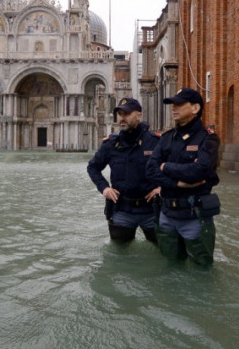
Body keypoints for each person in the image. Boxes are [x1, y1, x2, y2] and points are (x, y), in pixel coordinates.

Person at [146, 87, 221, 264]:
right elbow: (150, 170)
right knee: (170, 267)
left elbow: (199, 171)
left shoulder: (208, 139)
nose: (174, 108)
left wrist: (165, 166)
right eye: (173, 104)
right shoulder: (166, 138)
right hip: (166, 215)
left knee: (201, 271)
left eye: (179, 104)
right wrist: (178, 184)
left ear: (195, 108)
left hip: (194, 217)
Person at [87, 98, 161, 244]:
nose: (122, 118)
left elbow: (171, 166)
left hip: (151, 210)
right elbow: (93, 167)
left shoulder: (155, 142)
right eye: (120, 114)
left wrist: (162, 188)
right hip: (122, 210)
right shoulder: (111, 144)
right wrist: (104, 188)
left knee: (161, 250)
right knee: (119, 255)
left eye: (126, 113)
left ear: (139, 115)